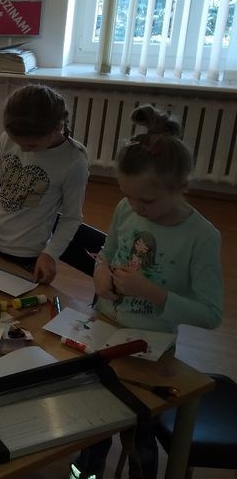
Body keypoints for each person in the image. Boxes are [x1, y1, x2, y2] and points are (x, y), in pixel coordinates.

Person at [71, 105, 223, 479]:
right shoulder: (127, 208)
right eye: (128, 195)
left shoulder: (202, 237)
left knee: (140, 432)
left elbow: (211, 314)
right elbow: (106, 252)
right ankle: (84, 474)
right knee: (92, 423)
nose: (137, 208)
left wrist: (153, 293)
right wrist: (100, 273)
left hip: (150, 351)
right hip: (104, 332)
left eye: (148, 201)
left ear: (182, 187)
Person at [0, 84, 89, 283]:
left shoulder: (73, 161)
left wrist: (50, 255)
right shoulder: (8, 140)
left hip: (31, 257)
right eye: (17, 141)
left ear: (56, 128)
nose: (23, 150)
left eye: (31, 145)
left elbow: (71, 218)